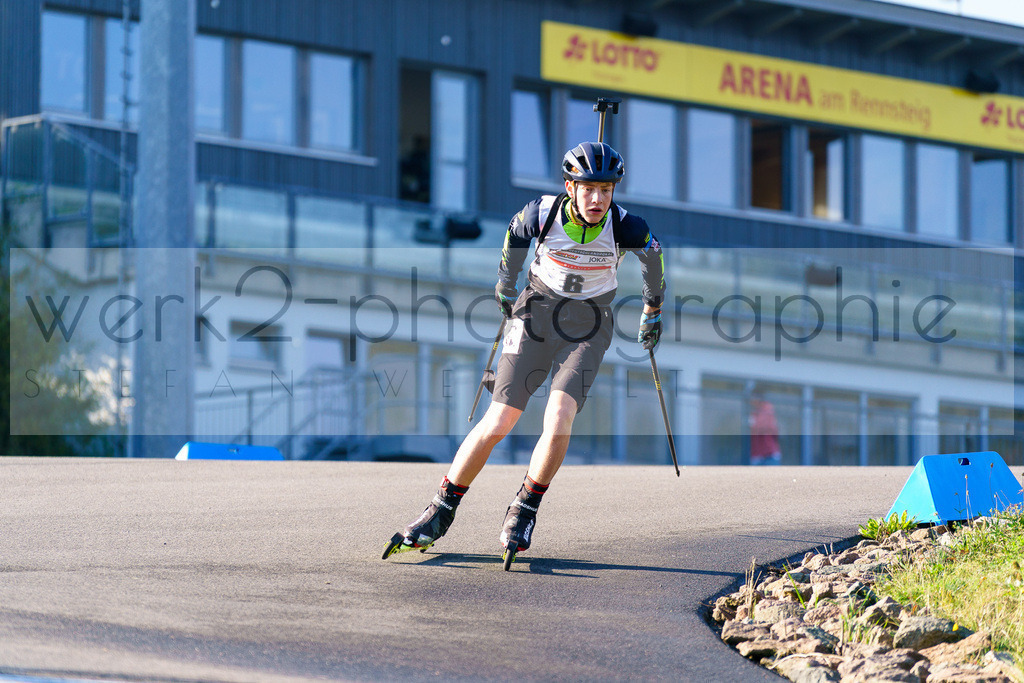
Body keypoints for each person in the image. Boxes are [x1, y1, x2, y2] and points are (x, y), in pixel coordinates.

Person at [384, 141, 666, 562]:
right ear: (570, 188)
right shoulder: (541, 213)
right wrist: (505, 282)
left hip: (588, 327)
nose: (597, 199)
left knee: (559, 416)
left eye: (606, 190)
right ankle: (440, 510)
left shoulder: (626, 226)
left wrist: (652, 310)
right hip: (535, 314)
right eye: (588, 189)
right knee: (499, 419)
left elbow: (653, 260)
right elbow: (514, 235)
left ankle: (524, 508)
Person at [749, 387, 782, 466]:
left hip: (770, 454)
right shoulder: (753, 413)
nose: (751, 401)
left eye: (753, 398)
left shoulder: (767, 408)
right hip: (757, 455)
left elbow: (766, 428)